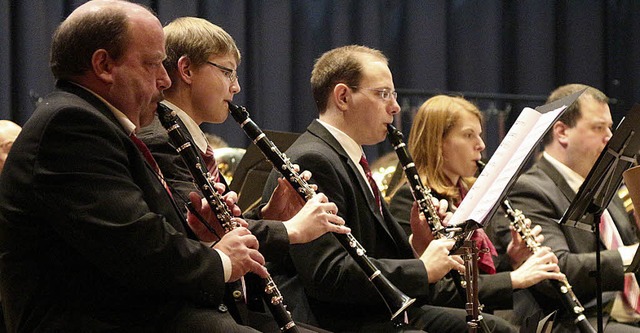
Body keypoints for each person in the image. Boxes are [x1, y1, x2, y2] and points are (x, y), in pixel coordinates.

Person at [0, 1, 268, 332]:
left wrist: (201, 235)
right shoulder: (71, 125)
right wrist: (221, 260)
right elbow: (137, 246)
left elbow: (129, 236)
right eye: (153, 64)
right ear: (103, 65)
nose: (165, 81)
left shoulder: (96, 123)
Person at [261, 45, 518, 332]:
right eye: (383, 94)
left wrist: (418, 247)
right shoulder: (314, 159)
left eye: (393, 95)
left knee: (491, 327)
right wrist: (421, 269)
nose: (395, 107)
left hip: (371, 312)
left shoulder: (344, 156)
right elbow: (327, 275)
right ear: (343, 97)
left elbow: (366, 249)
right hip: (336, 320)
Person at [138, 17, 348, 332]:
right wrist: (289, 230)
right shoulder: (161, 139)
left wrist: (269, 217)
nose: (235, 87)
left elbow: (217, 229)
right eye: (227, 72)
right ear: (187, 70)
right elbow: (189, 230)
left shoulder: (186, 139)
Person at [388, 95, 564, 315]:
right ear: (438, 143)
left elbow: (479, 274)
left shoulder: (470, 196)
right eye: (468, 135)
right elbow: (431, 287)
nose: (481, 145)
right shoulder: (410, 198)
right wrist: (513, 279)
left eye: (479, 135)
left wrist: (512, 260)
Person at [487, 84, 640, 332]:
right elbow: (556, 268)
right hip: (577, 320)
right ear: (562, 132)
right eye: (598, 128)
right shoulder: (529, 190)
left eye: (610, 127)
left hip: (623, 315)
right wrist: (630, 256)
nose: (610, 138)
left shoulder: (604, 184)